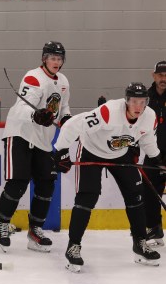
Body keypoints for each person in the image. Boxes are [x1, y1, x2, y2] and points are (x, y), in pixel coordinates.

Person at [53, 82, 162, 272]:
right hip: (91, 151)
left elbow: (147, 138)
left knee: (135, 194)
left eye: (142, 102)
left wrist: (157, 158)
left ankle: (140, 243)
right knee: (87, 197)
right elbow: (73, 125)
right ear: (126, 101)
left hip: (121, 154)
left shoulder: (149, 116)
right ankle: (73, 246)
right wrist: (60, 150)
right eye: (134, 102)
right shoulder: (108, 112)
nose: (138, 107)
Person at [0, 41, 71, 253]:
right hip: (20, 134)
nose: (56, 62)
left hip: (43, 141)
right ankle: (2, 225)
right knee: (18, 183)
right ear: (44, 59)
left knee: (47, 184)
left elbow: (63, 108)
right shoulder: (33, 77)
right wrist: (35, 114)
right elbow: (21, 108)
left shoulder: (63, 81)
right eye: (52, 58)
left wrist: (67, 120)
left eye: (59, 58)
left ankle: (35, 230)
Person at [143, 61, 166, 247]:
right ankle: (154, 227)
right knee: (150, 192)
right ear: (154, 75)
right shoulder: (145, 98)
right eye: (160, 74)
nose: (163, 78)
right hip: (153, 154)